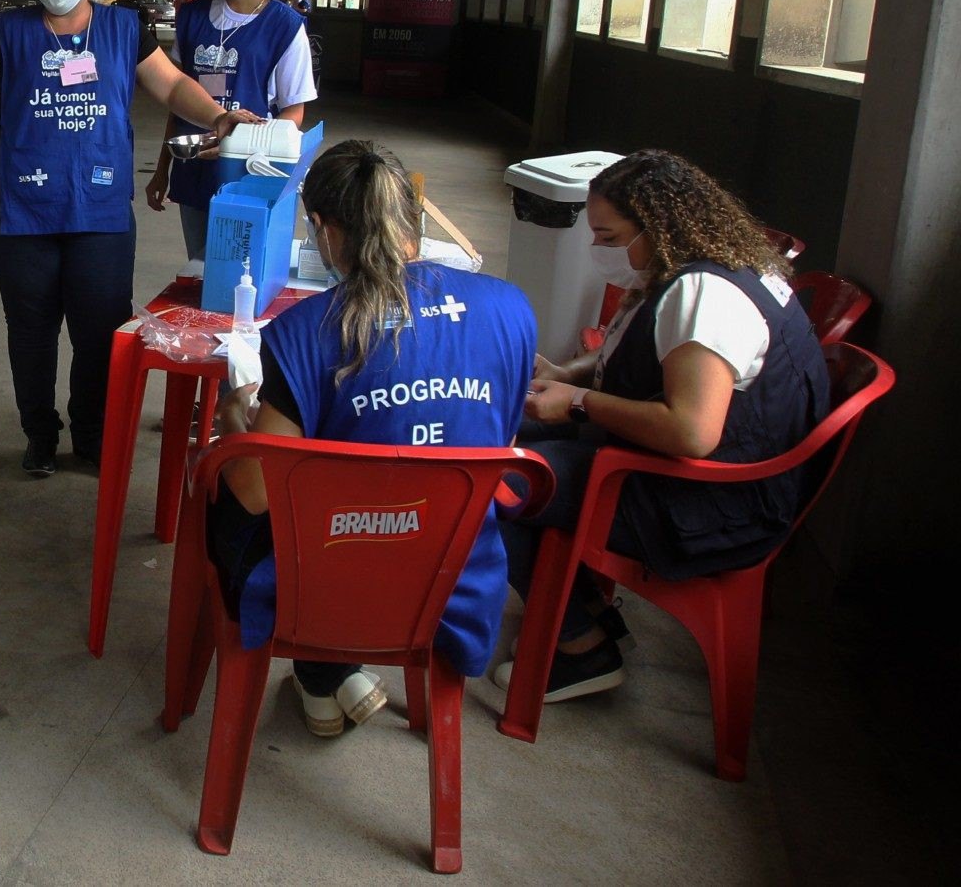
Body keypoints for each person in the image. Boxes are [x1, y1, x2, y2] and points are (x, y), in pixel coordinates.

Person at [210, 140, 536, 736]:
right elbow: (498, 434)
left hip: (327, 581)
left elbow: (255, 491)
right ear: (412, 215)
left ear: (324, 230)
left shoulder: (305, 331)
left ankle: (321, 672)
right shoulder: (509, 309)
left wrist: (232, 420)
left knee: (224, 502)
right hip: (454, 576)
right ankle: (330, 678)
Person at [501, 150, 830, 701]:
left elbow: (692, 432)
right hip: (704, 472)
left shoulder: (705, 296)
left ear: (656, 226)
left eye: (608, 238)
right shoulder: (709, 259)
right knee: (500, 430)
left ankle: (582, 650)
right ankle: (582, 608)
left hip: (712, 504)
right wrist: (569, 373)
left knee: (495, 480)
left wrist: (579, 400)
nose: (598, 250)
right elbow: (647, 345)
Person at [0, 0, 260, 477]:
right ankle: (39, 435)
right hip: (20, 205)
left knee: (98, 328)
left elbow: (172, 84)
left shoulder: (123, 29)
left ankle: (90, 435)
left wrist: (217, 115)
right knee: (31, 327)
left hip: (99, 206)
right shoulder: (10, 29)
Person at [145, 0, 316, 260]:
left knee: (238, 274)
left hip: (249, 173)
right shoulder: (192, 17)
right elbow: (177, 98)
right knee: (199, 268)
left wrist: (249, 143)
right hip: (194, 170)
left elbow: (293, 112)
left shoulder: (284, 26)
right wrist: (163, 169)